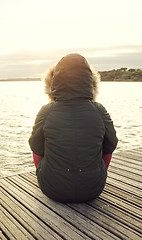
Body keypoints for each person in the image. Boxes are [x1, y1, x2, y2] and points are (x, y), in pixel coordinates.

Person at [28, 53, 118, 203]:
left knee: (38, 143)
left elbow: (36, 148)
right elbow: (110, 145)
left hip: (52, 189)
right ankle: (93, 177)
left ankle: (50, 177)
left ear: (54, 82)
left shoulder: (46, 111)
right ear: (90, 82)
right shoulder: (99, 110)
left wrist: (47, 174)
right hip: (93, 189)